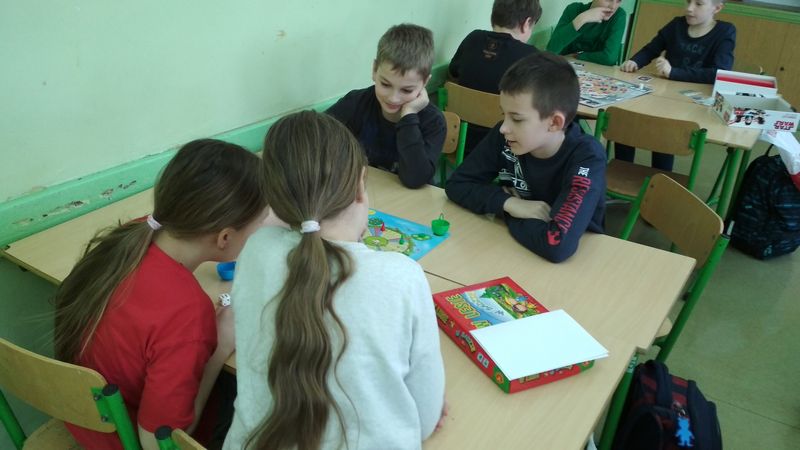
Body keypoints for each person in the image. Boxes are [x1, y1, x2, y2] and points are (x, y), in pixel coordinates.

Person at [223, 111, 446, 450]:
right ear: (360, 185)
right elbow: (426, 422)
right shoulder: (402, 277)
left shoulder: (256, 250)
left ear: (272, 198)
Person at [55, 139, 268, 450]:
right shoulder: (188, 313)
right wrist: (220, 346)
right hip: (124, 439)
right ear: (224, 237)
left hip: (84, 414)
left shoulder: (135, 234)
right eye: (259, 224)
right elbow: (158, 444)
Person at [445, 53, 606, 263]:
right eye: (504, 114)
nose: (503, 127)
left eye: (517, 119)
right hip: (514, 248)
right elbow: (456, 185)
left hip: (578, 263)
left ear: (554, 123)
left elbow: (556, 244)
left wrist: (506, 212)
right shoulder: (506, 137)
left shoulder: (587, 158)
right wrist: (509, 203)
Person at [618, 0, 735, 170]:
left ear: (717, 8)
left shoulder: (725, 31)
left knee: (664, 131)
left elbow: (719, 73)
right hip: (664, 96)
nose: (689, 8)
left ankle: (661, 177)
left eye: (699, 4)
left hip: (694, 106)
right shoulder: (676, 25)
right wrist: (635, 61)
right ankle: (622, 169)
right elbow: (651, 49)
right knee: (626, 118)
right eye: (688, 1)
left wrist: (674, 72)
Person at [327, 24, 446, 189]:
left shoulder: (434, 122)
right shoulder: (356, 103)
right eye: (385, 84)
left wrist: (409, 115)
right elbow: (315, 135)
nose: (393, 98)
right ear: (374, 70)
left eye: (406, 90)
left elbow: (415, 179)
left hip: (410, 200)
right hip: (368, 193)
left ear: (425, 82)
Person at [448, 0, 543, 153]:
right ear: (527, 23)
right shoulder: (530, 56)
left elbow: (453, 72)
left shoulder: (473, 38)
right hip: (501, 148)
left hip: (457, 140)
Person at [546, 0, 626, 66]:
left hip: (598, 72)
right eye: (608, 0)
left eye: (618, 1)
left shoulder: (619, 15)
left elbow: (609, 58)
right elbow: (550, 50)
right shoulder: (573, 9)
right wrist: (582, 18)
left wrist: (578, 55)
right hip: (564, 68)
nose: (613, 7)